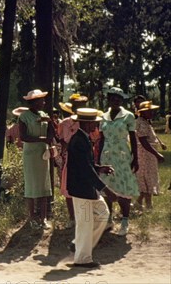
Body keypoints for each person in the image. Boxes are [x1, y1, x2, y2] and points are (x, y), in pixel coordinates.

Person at [67, 108, 118, 269]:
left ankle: (78, 244)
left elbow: (87, 165)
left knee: (103, 214)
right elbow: (85, 169)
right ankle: (82, 258)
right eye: (95, 122)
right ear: (88, 123)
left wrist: (100, 168)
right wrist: (106, 189)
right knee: (85, 223)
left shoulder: (83, 138)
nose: (97, 124)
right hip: (81, 188)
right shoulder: (80, 140)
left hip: (85, 187)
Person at [98, 86, 139, 236]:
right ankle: (109, 219)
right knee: (108, 187)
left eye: (119, 98)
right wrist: (98, 158)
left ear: (122, 100)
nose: (116, 101)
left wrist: (136, 158)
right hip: (107, 155)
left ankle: (125, 221)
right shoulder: (103, 116)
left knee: (123, 188)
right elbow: (101, 139)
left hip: (122, 155)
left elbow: (133, 139)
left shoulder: (128, 116)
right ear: (108, 99)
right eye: (113, 98)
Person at [19, 89, 55, 229]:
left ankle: (43, 217)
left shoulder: (44, 115)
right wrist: (42, 139)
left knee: (44, 185)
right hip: (31, 154)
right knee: (31, 185)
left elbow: (51, 135)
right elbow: (24, 137)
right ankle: (32, 217)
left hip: (43, 153)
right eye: (41, 100)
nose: (43, 103)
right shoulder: (24, 117)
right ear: (33, 102)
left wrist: (50, 122)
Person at [57, 93, 89, 225]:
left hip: (86, 157)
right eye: (78, 106)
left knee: (86, 186)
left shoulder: (89, 121)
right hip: (70, 158)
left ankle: (85, 217)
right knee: (69, 187)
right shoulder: (65, 123)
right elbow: (61, 141)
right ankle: (72, 217)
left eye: (83, 106)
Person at [135, 101, 165, 210]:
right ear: (142, 112)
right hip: (145, 154)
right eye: (149, 111)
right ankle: (147, 205)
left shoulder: (146, 122)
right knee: (147, 179)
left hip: (149, 155)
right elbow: (143, 141)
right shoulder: (141, 123)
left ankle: (141, 203)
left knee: (150, 178)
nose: (152, 113)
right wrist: (157, 154)